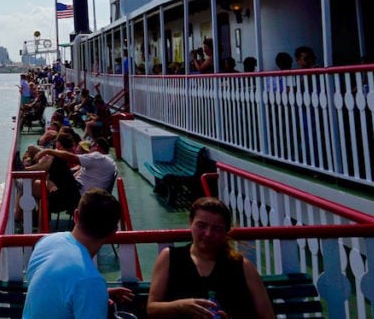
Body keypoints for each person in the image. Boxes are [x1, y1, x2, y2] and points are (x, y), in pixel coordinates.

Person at [146, 197, 275, 318]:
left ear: (226, 231)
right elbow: (152, 308)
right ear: (191, 223)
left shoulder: (242, 267)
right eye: (201, 226)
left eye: (217, 229)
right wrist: (180, 306)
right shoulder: (170, 257)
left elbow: (268, 316)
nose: (208, 234)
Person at [22, 188, 124, 319]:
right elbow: (81, 283)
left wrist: (99, 295)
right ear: (113, 232)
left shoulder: (46, 242)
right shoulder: (90, 280)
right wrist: (94, 294)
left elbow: (46, 290)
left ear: (76, 216)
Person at [38, 136, 118, 194]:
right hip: (83, 191)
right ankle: (41, 178)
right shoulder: (109, 161)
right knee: (43, 187)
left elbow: (71, 157)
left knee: (58, 159)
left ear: (98, 147)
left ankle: (30, 172)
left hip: (79, 194)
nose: (91, 149)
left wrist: (48, 151)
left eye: (93, 146)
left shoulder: (97, 157)